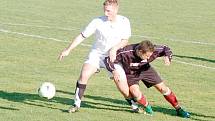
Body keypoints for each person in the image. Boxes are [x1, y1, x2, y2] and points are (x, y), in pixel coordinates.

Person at [58, 0, 137, 113]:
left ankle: (134, 106)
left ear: (116, 10)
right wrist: (68, 50)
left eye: (108, 11)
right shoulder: (97, 21)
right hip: (97, 54)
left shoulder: (124, 21)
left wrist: (114, 49)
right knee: (84, 74)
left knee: (123, 88)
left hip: (114, 57)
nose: (106, 13)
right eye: (104, 10)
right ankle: (76, 104)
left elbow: (125, 40)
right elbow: (82, 36)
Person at [104, 40, 191, 118]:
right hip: (131, 74)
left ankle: (179, 109)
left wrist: (168, 57)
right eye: (147, 56)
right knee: (135, 93)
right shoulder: (125, 52)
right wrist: (114, 71)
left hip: (146, 70)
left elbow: (166, 48)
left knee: (163, 88)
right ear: (140, 51)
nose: (149, 58)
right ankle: (148, 108)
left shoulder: (153, 50)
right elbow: (107, 60)